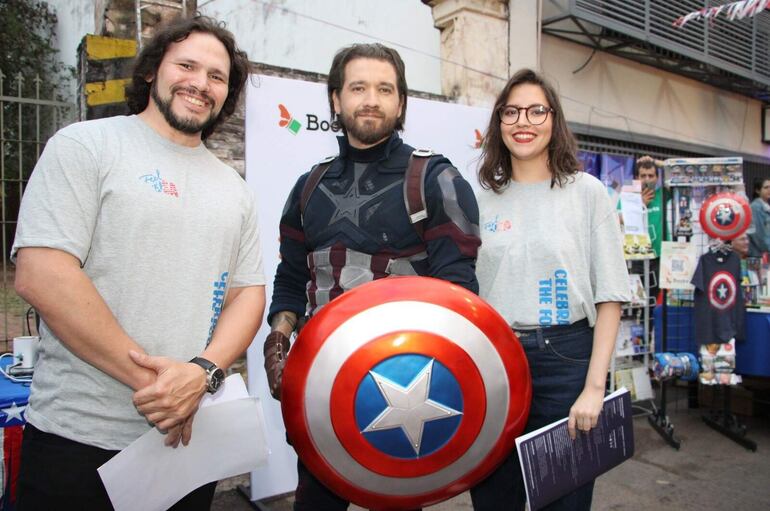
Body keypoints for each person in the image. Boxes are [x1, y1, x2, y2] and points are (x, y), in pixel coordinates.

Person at [12, 16, 265, 509]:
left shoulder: (234, 189)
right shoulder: (86, 146)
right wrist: (161, 389)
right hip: (78, 439)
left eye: (217, 76)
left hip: (187, 446)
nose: (201, 83)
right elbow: (42, 272)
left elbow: (247, 294)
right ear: (152, 71)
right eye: (186, 65)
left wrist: (203, 374)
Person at [263, 43, 480, 511]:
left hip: (404, 389)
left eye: (385, 89)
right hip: (319, 388)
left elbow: (460, 297)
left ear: (401, 103)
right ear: (335, 100)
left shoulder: (437, 180)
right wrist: (279, 337)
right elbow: (291, 276)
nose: (371, 99)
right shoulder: (308, 186)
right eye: (358, 87)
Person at [470, 69, 630, 511]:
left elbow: (610, 295)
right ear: (499, 123)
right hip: (494, 362)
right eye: (512, 111)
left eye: (536, 110)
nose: (524, 121)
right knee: (494, 499)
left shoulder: (588, 193)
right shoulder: (478, 200)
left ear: (554, 119)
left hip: (566, 361)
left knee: (565, 500)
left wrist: (594, 387)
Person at [749, 178, 770, 257]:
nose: (769, 190)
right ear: (757, 190)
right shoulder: (756, 207)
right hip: (759, 254)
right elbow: (758, 234)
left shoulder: (765, 206)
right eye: (766, 187)